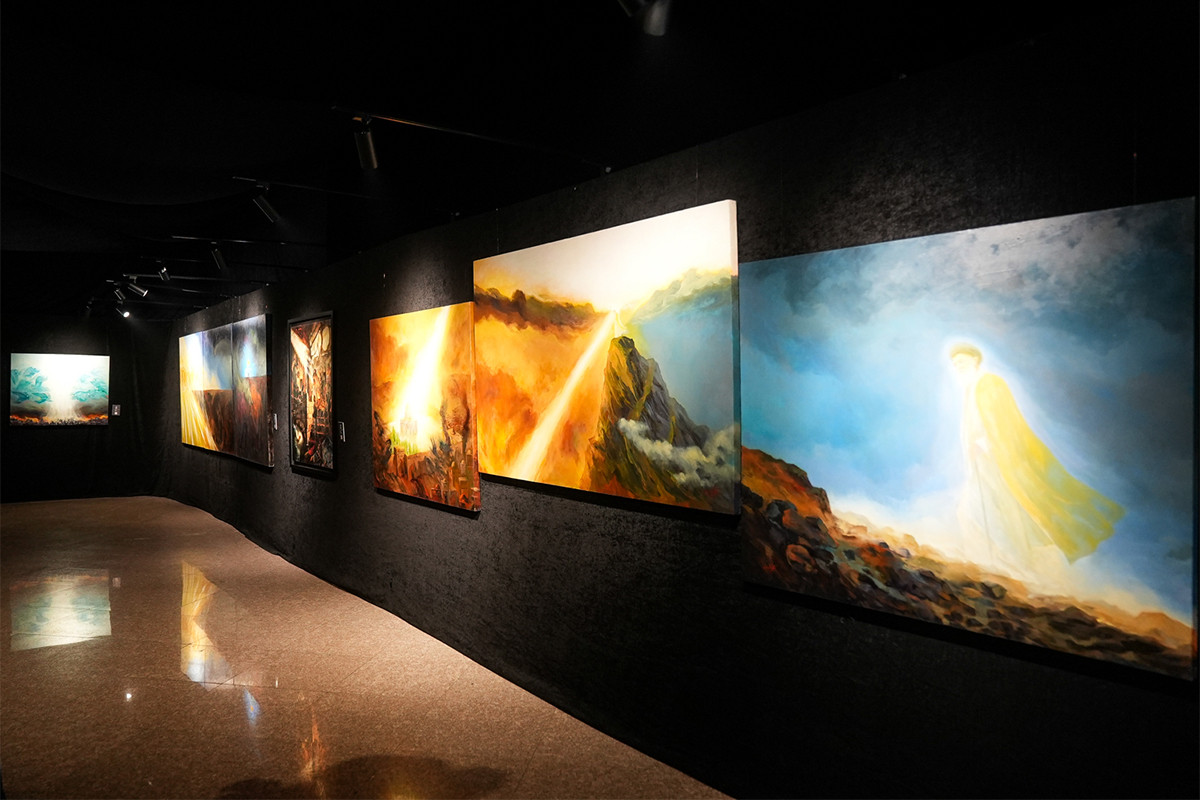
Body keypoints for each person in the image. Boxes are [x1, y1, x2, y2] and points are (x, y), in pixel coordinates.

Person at [950, 343, 1123, 579]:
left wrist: (983, 444)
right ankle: (992, 566)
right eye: (955, 364)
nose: (958, 367)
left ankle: (1015, 570)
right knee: (976, 512)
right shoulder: (970, 388)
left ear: (975, 361)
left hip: (998, 461)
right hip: (983, 462)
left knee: (1001, 513)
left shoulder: (989, 383)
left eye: (962, 361)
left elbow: (1004, 424)